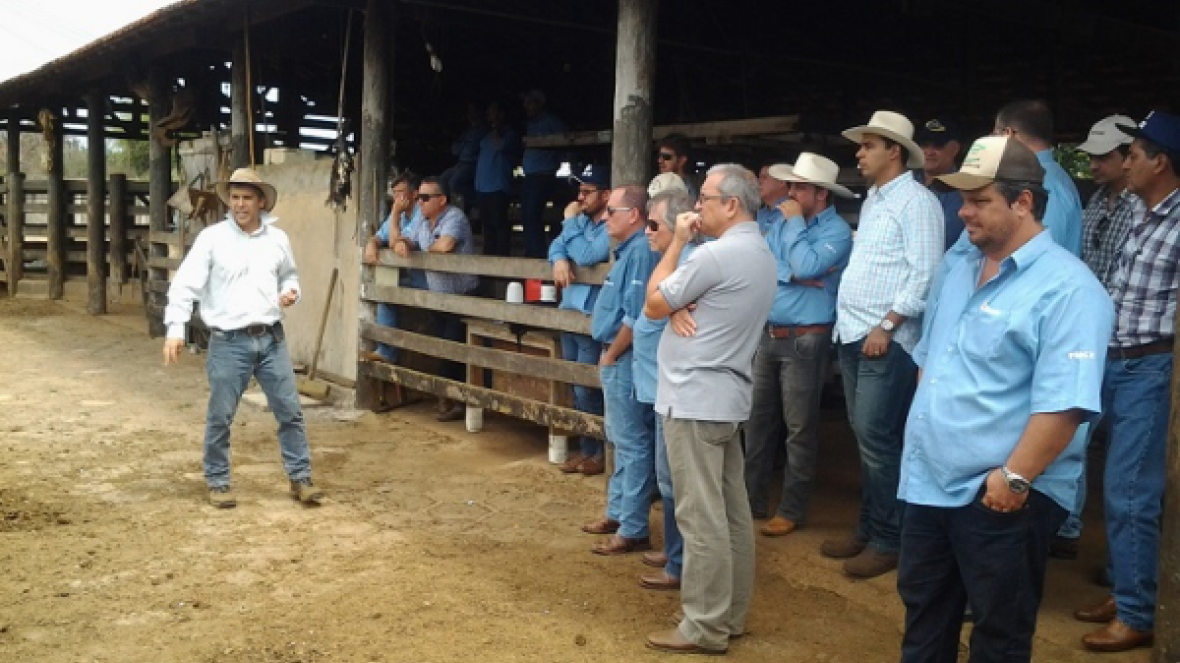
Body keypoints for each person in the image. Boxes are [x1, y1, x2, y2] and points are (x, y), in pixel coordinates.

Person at [898, 135, 1112, 663]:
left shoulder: (1070, 289)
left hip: (1000, 497)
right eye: (963, 199)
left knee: (999, 634)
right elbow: (931, 360)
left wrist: (1013, 479)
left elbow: (1065, 404)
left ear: (1023, 202)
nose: (964, 212)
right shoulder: (961, 270)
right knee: (924, 617)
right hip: (930, 484)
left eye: (979, 200)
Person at [641, 164, 776, 654]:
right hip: (725, 398)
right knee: (730, 513)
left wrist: (676, 244)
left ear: (731, 205)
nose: (697, 208)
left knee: (700, 519)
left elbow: (653, 303)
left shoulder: (716, 255)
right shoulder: (760, 252)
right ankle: (729, 615)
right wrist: (678, 303)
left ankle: (704, 625)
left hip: (695, 399)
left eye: (706, 199)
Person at [1076, 110, 1180, 653]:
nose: (1127, 162)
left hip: (1151, 365)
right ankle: (1129, 589)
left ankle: (1138, 612)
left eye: (1135, 155)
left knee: (1130, 490)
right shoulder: (1141, 211)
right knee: (1121, 484)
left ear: (1160, 161)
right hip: (1118, 360)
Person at [163, 167, 324, 508]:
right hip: (228, 342)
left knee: (290, 411)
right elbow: (184, 284)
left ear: (261, 201)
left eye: (247, 198)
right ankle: (218, 481)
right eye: (234, 197)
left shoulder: (278, 240)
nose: (239, 204)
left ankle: (301, 479)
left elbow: (290, 276)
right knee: (221, 415)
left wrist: (290, 292)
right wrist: (176, 328)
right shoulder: (212, 239)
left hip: (271, 339)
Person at [827, 110, 944, 578]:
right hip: (854, 330)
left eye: (868, 145)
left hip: (884, 337)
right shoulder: (876, 199)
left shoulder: (917, 202)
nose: (859, 152)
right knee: (866, 435)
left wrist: (889, 323)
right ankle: (872, 525)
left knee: (878, 437)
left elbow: (926, 271)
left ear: (893, 151)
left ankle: (889, 538)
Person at [746, 153, 854, 537]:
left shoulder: (836, 231)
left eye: (800, 187)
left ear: (821, 194)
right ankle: (751, 500)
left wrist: (795, 251)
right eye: (790, 186)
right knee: (757, 422)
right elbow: (765, 264)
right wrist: (795, 270)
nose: (791, 193)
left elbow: (806, 267)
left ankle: (792, 509)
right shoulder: (783, 225)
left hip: (807, 337)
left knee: (799, 427)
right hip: (770, 331)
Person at [1051, 114, 1138, 559]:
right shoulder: (1094, 202)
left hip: (1129, 346)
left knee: (1128, 458)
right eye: (1093, 156)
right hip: (1091, 338)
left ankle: (1127, 564)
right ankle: (1066, 523)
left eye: (1104, 157)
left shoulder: (1145, 209)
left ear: (1130, 158)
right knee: (1075, 432)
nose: (1094, 165)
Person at [581, 185, 660, 556]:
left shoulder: (641, 252)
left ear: (635, 215)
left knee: (631, 440)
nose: (604, 217)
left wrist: (611, 353)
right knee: (622, 437)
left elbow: (637, 312)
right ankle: (619, 514)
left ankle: (632, 526)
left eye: (611, 211)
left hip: (623, 356)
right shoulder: (631, 250)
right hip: (617, 354)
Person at [632, 189, 698, 592]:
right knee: (668, 477)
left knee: (675, 480)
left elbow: (659, 303)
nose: (648, 231)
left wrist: (671, 307)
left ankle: (679, 563)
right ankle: (675, 552)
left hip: (673, 390)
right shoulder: (672, 260)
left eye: (654, 224)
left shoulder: (686, 261)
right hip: (660, 387)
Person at [391, 176, 480, 422]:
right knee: (444, 347)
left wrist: (421, 246)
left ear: (442, 200)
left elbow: (445, 246)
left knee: (454, 349)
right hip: (439, 296)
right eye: (419, 197)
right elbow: (411, 240)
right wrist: (403, 242)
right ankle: (450, 399)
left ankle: (456, 400)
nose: (419, 202)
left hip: (461, 297)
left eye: (425, 198)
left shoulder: (455, 217)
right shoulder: (423, 219)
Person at [548, 164, 611, 476]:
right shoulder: (582, 222)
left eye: (588, 191)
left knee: (589, 387)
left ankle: (600, 452)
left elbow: (587, 255)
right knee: (576, 385)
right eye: (580, 191)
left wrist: (569, 221)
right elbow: (557, 245)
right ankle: (587, 450)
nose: (580, 196)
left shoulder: (611, 225)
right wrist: (560, 258)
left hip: (590, 316)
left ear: (607, 195)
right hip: (570, 310)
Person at [993, 99, 1084, 256]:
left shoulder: (1046, 186)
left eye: (994, 135)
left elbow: (1036, 255)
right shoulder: (1045, 180)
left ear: (1007, 134)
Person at [362, 174, 424, 363]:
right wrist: (371, 243)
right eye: (395, 193)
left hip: (429, 280)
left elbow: (395, 243)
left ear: (414, 194)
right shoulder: (398, 213)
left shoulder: (420, 213)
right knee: (385, 293)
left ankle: (388, 353)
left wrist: (395, 213)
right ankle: (385, 351)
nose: (397, 198)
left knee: (387, 293)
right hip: (414, 278)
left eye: (401, 193)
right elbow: (381, 235)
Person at [520, 89, 567, 258]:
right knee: (526, 214)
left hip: (543, 175)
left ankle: (536, 252)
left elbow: (566, 142)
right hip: (530, 175)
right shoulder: (530, 123)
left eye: (530, 102)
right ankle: (532, 249)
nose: (526, 106)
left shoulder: (551, 122)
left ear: (539, 103)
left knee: (532, 213)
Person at [474, 100, 521, 256]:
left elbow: (499, 146)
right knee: (486, 225)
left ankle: (501, 258)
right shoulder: (485, 136)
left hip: (498, 187)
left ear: (502, 114)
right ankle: (489, 257)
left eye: (493, 111)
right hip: (482, 187)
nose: (489, 115)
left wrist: (496, 126)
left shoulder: (510, 134)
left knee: (499, 224)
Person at [914, 117, 965, 248]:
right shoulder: (907, 181)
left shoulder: (964, 189)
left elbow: (947, 237)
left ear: (955, 149)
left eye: (938, 146)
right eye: (924, 145)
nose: (929, 152)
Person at [438, 101, 487, 211]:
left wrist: (464, 145)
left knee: (454, 183)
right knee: (442, 179)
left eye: (472, 111)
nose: (469, 114)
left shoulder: (482, 129)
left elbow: (471, 149)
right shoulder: (468, 130)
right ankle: (444, 209)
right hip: (461, 162)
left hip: (472, 163)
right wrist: (464, 144)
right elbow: (455, 149)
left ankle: (464, 206)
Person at [655, 133, 697, 198]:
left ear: (682, 161)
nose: (660, 161)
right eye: (659, 156)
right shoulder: (657, 184)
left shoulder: (688, 193)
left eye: (666, 157)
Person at [755, 163, 791, 235]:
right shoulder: (759, 213)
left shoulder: (792, 212)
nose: (759, 182)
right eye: (759, 177)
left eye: (764, 177)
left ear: (781, 182)